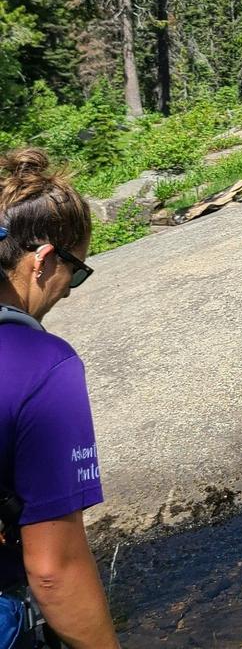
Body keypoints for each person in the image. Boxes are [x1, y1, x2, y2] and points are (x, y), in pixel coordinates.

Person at [0, 148, 119, 649]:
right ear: (44, 259)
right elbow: (54, 572)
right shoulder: (43, 366)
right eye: (78, 269)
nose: (70, 291)